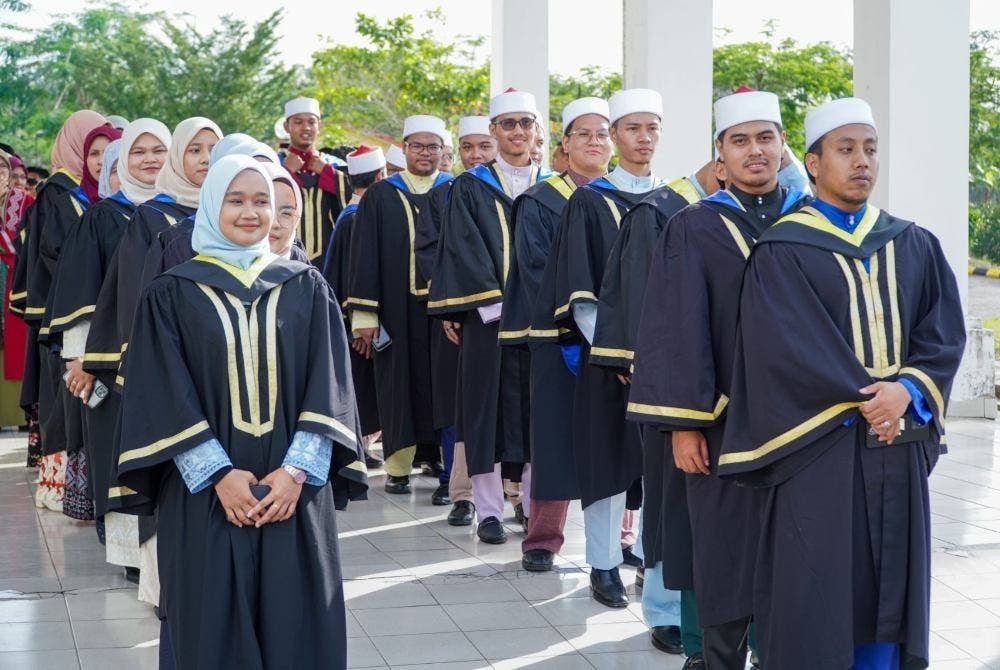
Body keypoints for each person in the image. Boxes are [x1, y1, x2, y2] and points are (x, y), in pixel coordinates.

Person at [718, 98, 965, 670]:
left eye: (870, 150)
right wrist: (870, 398)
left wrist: (908, 390)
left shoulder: (913, 242)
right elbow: (784, 343)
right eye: (846, 149)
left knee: (891, 582)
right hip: (818, 449)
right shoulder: (782, 249)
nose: (862, 162)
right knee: (819, 586)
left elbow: (943, 332)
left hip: (896, 440)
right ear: (810, 162)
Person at [111, 153, 367, 669]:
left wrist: (295, 474)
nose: (250, 213)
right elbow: (161, 391)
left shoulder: (306, 286)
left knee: (298, 626)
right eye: (235, 200)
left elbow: (331, 384)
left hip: (292, 496)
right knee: (209, 628)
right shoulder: (172, 293)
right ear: (211, 206)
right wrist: (219, 476)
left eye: (261, 202)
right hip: (204, 498)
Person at [628, 90, 809, 670]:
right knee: (720, 547)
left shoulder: (812, 224)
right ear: (719, 156)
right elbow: (674, 331)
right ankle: (712, 655)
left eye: (765, 138)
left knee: (794, 545)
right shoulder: (693, 227)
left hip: (802, 422)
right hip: (720, 420)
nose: (754, 151)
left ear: (783, 149)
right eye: (739, 141)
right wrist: (683, 427)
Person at [543, 89, 665, 608]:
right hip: (609, 361)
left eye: (651, 128)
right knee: (608, 463)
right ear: (614, 136)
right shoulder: (590, 202)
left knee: (661, 467)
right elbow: (581, 290)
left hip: (668, 363)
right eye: (632, 128)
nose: (643, 137)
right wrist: (618, 353)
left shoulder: (675, 202)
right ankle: (603, 564)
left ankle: (650, 557)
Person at [498, 97, 612, 571]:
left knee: (616, 441)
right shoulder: (541, 201)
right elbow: (538, 266)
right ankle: (543, 538)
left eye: (601, 134)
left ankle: (621, 538)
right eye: (582, 134)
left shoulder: (628, 199)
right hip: (556, 334)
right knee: (555, 440)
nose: (593, 142)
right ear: (564, 145)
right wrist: (584, 314)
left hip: (617, 339)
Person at [428, 89, 543, 544]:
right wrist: (495, 305)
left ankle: (535, 506)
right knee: (484, 413)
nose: (517, 132)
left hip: (543, 327)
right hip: (488, 321)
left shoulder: (557, 188)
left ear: (537, 129)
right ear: (493, 131)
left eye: (525, 123)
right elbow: (462, 249)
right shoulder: (469, 187)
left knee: (539, 414)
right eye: (507, 124)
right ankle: (489, 510)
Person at [347, 115, 452, 495]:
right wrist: (364, 313)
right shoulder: (380, 195)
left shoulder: (455, 190)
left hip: (445, 310)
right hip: (395, 307)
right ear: (404, 149)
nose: (425, 153)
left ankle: (444, 466)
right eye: (418, 146)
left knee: (443, 385)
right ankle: (398, 467)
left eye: (433, 146)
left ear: (444, 151)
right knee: (397, 384)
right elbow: (364, 256)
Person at [15, 109, 108, 512]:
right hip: (65, 315)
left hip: (75, 309)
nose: (102, 159)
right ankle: (59, 486)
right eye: (93, 147)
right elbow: (55, 252)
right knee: (63, 401)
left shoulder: (86, 195)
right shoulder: (58, 194)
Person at [414, 115, 495, 523]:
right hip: (463, 318)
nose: (476, 155)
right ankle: (461, 492)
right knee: (462, 405)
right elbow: (431, 252)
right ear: (456, 152)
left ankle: (515, 496)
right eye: (468, 148)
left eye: (484, 146)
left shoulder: (531, 190)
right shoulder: (444, 194)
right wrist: (455, 306)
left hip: (518, 320)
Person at [41, 122, 124, 522]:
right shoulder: (92, 214)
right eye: (102, 158)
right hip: (102, 349)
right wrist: (79, 356)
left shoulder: (168, 215)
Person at [322, 146, 386, 470]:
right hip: (357, 323)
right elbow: (351, 277)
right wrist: (357, 324)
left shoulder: (353, 213)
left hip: (353, 320)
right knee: (360, 385)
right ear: (380, 176)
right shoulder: (357, 217)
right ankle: (357, 449)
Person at [279, 96, 351, 263]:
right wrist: (286, 171)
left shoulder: (336, 165)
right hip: (285, 257)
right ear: (286, 126)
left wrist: (327, 173)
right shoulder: (275, 164)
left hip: (330, 257)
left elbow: (353, 202)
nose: (306, 128)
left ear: (319, 126)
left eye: (312, 122)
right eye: (298, 122)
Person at [0, 150, 34, 451]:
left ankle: (18, 414)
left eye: (2, 168)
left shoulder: (24, 201)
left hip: (14, 277)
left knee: (16, 343)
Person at [263, 162, 309, 261]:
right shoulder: (223, 271)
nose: (275, 224)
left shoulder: (303, 271)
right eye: (266, 209)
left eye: (286, 213)